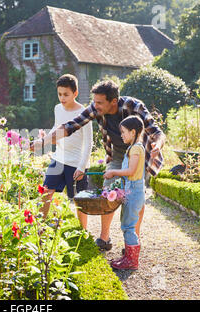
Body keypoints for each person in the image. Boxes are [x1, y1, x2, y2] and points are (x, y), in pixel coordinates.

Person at [31, 80, 166, 250]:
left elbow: (158, 132)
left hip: (139, 153)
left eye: (100, 102)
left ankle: (133, 242)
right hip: (117, 153)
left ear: (114, 102)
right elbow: (70, 126)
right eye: (94, 102)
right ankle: (104, 238)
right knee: (108, 192)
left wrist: (157, 146)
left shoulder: (134, 106)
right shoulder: (95, 109)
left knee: (135, 196)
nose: (95, 106)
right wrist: (42, 142)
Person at [39, 74, 93, 229]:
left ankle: (83, 232)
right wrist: (44, 140)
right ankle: (40, 228)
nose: (62, 98)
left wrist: (82, 167)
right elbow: (56, 129)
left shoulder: (84, 113)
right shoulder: (57, 108)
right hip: (59, 159)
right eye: (59, 94)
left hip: (77, 164)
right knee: (46, 192)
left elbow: (89, 143)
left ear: (75, 94)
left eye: (66, 94)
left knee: (79, 200)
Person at [103, 116, 145, 269]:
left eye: (124, 132)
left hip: (133, 191)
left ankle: (132, 261)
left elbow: (131, 171)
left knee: (128, 226)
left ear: (133, 132)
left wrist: (113, 172)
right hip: (131, 190)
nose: (121, 135)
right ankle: (128, 257)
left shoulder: (135, 148)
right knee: (126, 224)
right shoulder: (133, 147)